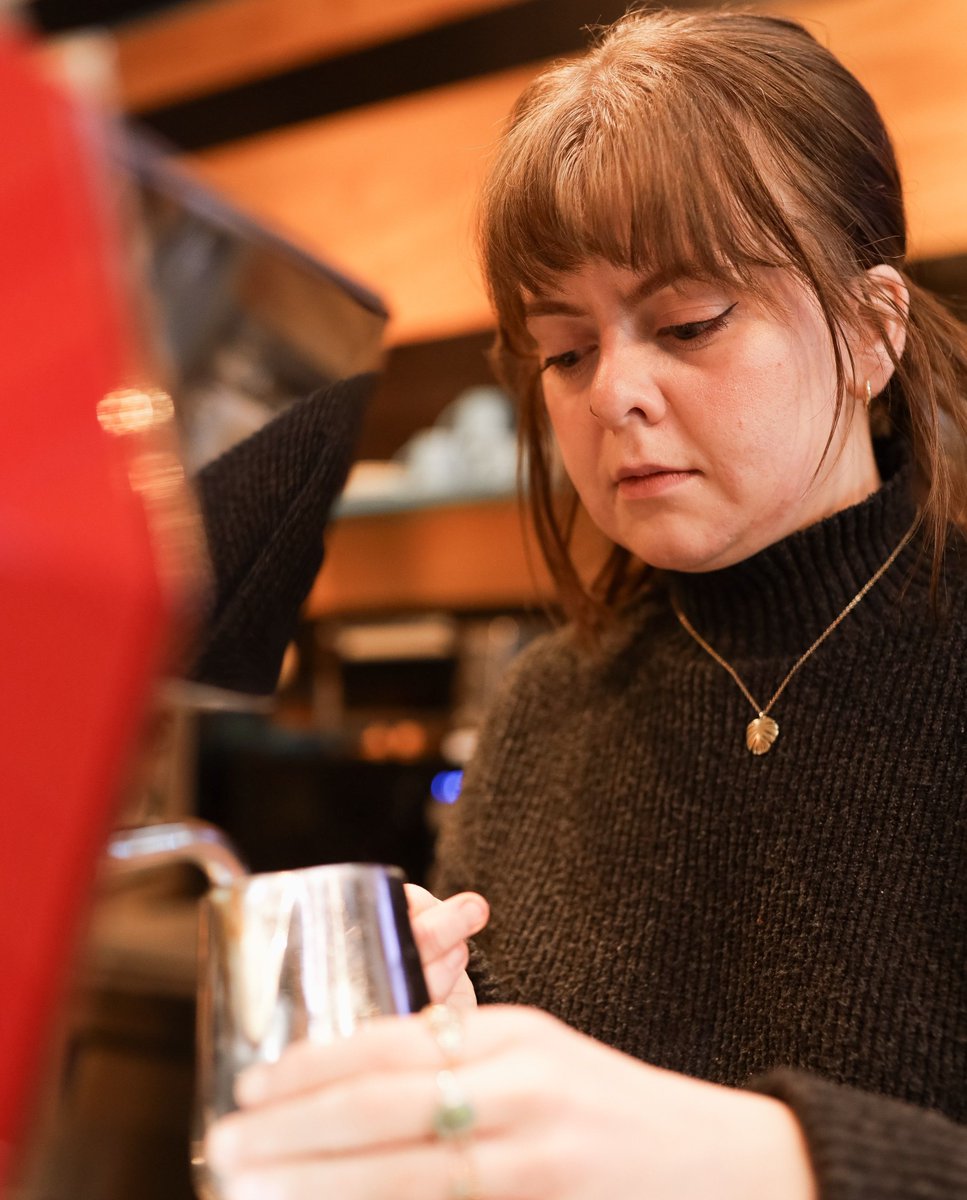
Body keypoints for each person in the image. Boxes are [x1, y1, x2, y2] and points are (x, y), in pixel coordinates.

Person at [205, 9, 967, 1198]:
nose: (614, 393)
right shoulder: (544, 710)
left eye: (687, 325)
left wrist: (785, 1161)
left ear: (870, 332)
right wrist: (444, 1034)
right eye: (563, 352)